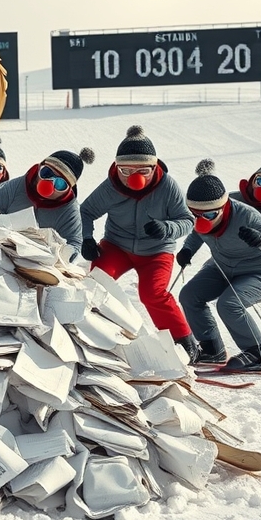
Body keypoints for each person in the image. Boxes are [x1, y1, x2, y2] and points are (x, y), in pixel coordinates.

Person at [80, 126, 198, 355]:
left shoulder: (167, 186)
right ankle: (95, 332)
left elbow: (187, 220)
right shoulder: (110, 187)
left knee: (152, 293)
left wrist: (167, 228)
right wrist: (87, 239)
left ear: (154, 167)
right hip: (117, 246)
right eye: (125, 170)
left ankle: (183, 341)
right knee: (96, 282)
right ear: (117, 167)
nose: (134, 178)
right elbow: (86, 211)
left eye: (143, 170)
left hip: (157, 251)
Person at [176, 160, 261, 369]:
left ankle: (260, 354)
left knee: (229, 304)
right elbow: (199, 229)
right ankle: (212, 349)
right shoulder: (204, 213)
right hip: (222, 266)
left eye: (210, 215)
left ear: (223, 207)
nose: (202, 219)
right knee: (189, 295)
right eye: (195, 214)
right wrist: (188, 249)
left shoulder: (246, 215)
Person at [192, 161, 261, 303]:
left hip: (258, 265)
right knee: (201, 280)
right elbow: (204, 222)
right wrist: (189, 249)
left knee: (231, 301)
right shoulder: (231, 200)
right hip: (227, 258)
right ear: (252, 179)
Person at [0, 148, 95, 254]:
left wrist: (62, 255)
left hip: (36, 261)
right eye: (46, 173)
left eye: (60, 184)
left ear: (68, 190)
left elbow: (74, 244)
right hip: (0, 249)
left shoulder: (69, 211)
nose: (49, 183)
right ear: (39, 169)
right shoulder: (20, 185)